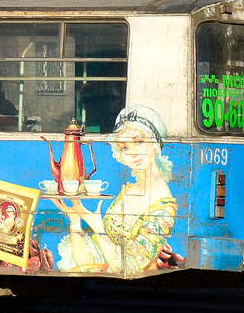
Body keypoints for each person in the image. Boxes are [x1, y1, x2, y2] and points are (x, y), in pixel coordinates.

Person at [54, 104, 177, 276]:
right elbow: (91, 263)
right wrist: (76, 221)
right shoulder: (127, 191)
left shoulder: (163, 209)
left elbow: (130, 267)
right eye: (125, 147)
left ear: (155, 145)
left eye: (139, 142)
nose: (132, 154)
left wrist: (97, 225)